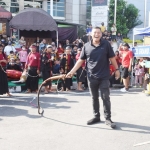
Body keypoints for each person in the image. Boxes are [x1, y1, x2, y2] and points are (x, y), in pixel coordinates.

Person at [66, 27, 120, 128]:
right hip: (91, 77)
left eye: (98, 32)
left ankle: (108, 118)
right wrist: (72, 71)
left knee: (105, 97)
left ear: (101, 34)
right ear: (91, 34)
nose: (97, 34)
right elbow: (80, 60)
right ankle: (96, 116)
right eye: (95, 32)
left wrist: (117, 70)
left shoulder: (106, 44)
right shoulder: (86, 46)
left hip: (104, 76)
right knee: (94, 98)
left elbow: (112, 58)